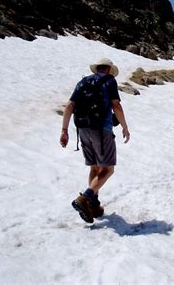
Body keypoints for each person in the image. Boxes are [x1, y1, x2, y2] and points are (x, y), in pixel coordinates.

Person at [60, 58, 130, 223]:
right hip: (101, 129)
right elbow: (116, 105)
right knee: (108, 169)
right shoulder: (109, 81)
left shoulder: (83, 82)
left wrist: (64, 130)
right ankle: (85, 198)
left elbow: (69, 106)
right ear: (109, 70)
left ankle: (94, 205)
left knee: (95, 167)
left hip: (82, 129)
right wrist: (125, 127)